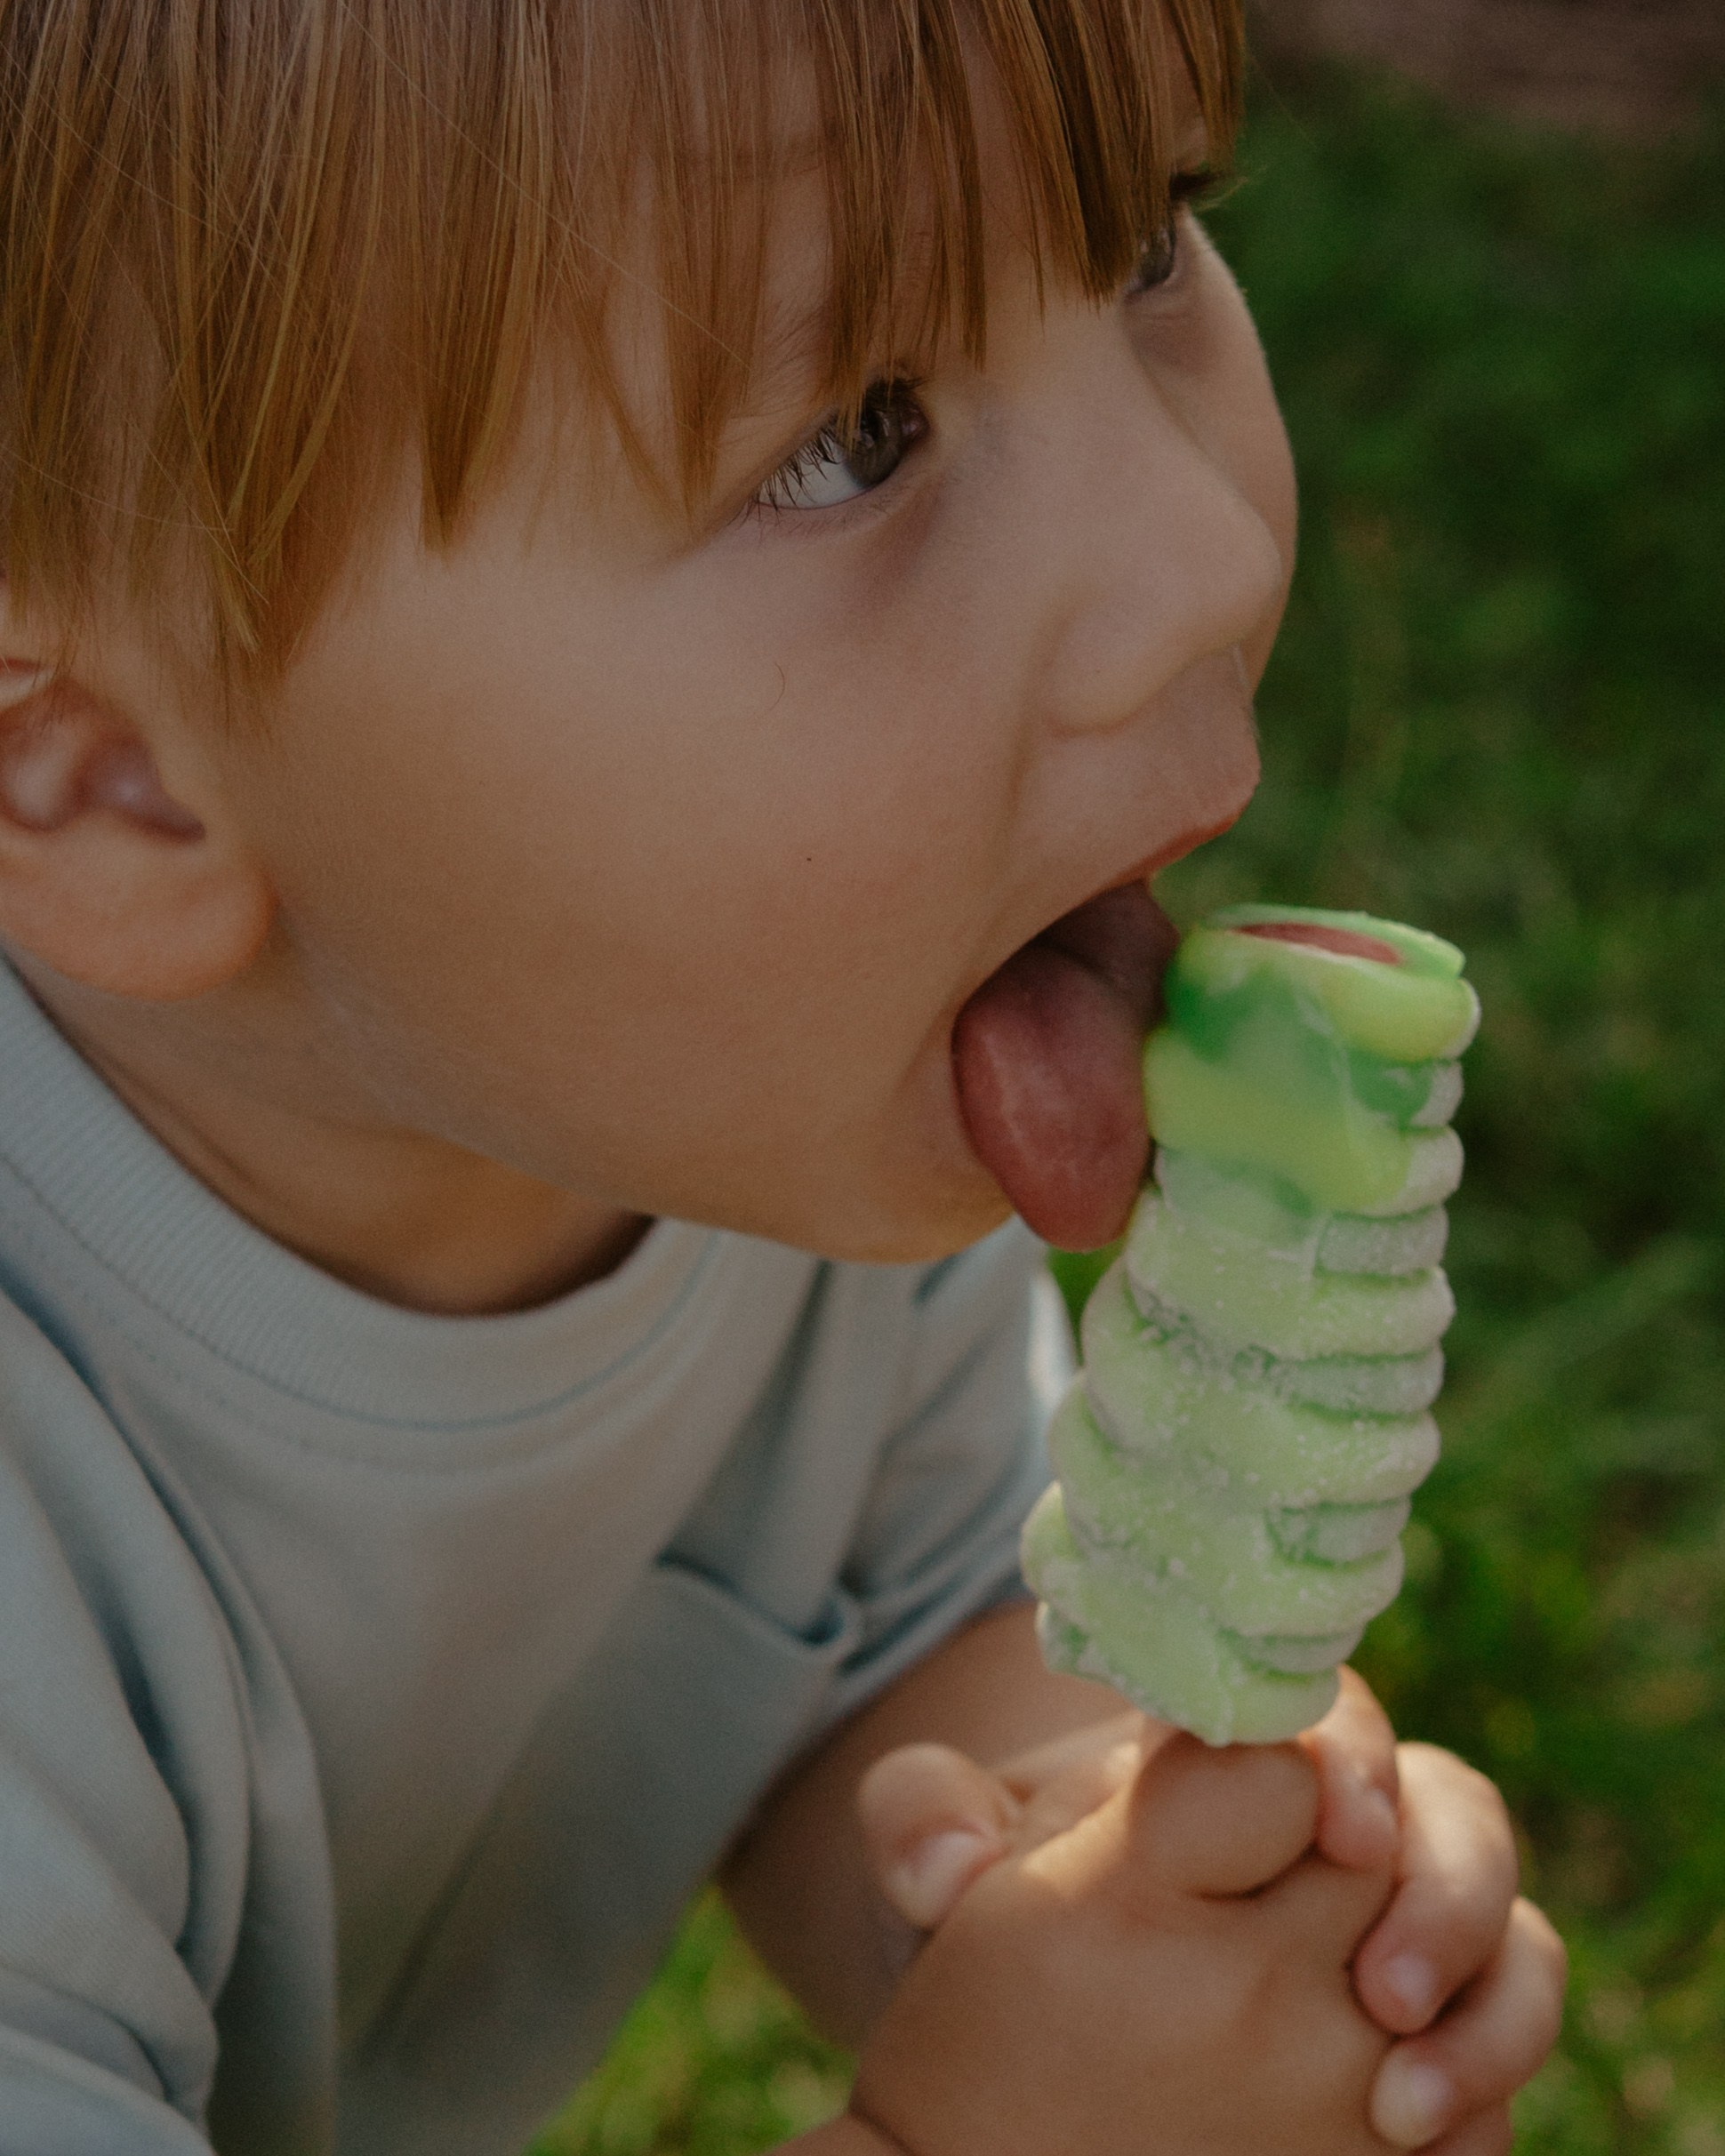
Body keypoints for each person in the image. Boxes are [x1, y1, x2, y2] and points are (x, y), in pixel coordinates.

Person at [0, 0, 1564, 2151]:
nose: (1201, 557)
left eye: (1147, 246)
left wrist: (1128, 1886)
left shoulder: (759, 1109)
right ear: (114, 785)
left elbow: (916, 1633)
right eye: (852, 434)